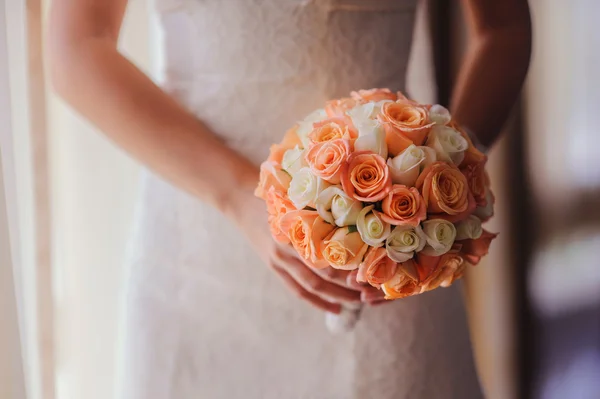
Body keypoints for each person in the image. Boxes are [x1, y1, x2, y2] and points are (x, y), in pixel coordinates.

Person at [48, 0, 531, 397]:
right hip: (196, 265)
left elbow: (503, 29)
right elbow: (76, 49)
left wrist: (446, 170)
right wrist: (240, 195)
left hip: (386, 260)